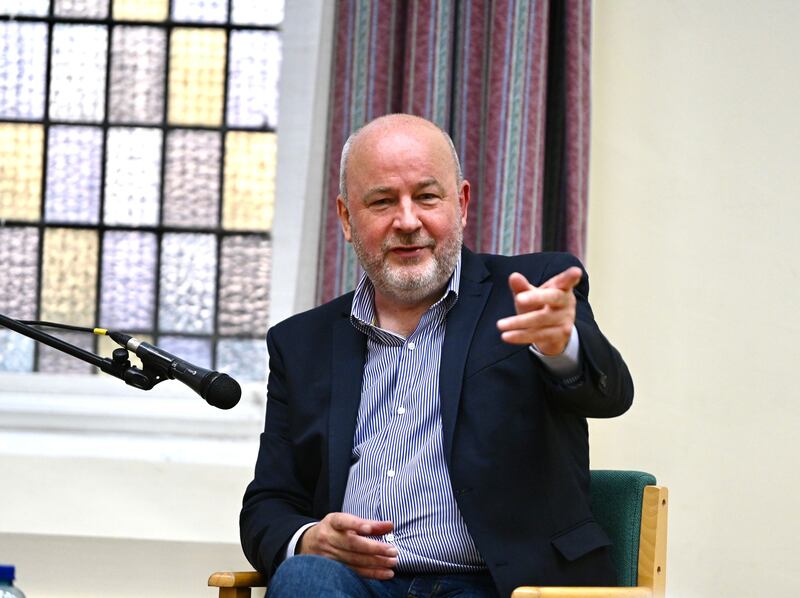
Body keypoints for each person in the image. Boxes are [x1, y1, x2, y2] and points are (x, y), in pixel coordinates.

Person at [240, 114, 633, 598]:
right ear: (346, 219)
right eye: (382, 201)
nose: (408, 222)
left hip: (503, 586)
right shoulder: (301, 344)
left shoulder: (530, 292)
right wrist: (307, 539)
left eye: (427, 197)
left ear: (461, 203)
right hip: (357, 586)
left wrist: (563, 345)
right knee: (303, 577)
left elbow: (611, 394)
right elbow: (268, 502)